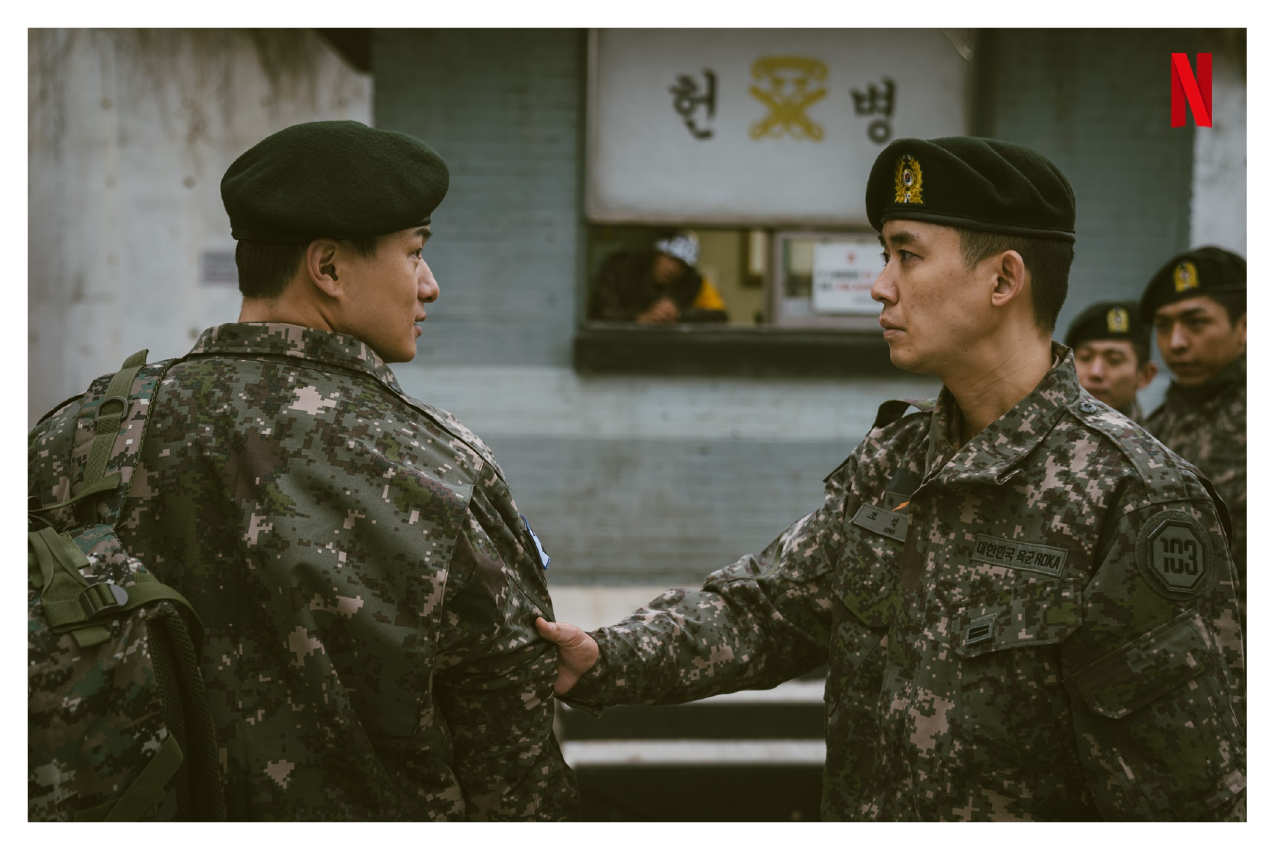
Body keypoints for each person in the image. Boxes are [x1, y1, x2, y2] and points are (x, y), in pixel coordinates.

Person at [538, 137, 1245, 821]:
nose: (879, 286)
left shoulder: (1131, 494)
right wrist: (603, 658)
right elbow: (769, 609)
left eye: (907, 255)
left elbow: (1185, 802)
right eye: (885, 256)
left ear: (1003, 280)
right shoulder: (895, 460)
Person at [28, 121, 578, 821]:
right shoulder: (438, 468)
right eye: (415, 253)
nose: (430, 285)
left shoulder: (77, 437)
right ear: (328, 268)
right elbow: (514, 769)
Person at [1140, 246, 1246, 631]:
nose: (1176, 342)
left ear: (1245, 327)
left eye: (1196, 323)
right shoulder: (1152, 431)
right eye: (1163, 326)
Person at [588, 229, 729, 324]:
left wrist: (679, 314)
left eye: (681, 264)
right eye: (669, 257)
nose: (673, 268)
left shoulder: (691, 281)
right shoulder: (622, 268)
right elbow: (598, 312)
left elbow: (720, 316)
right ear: (656, 254)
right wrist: (638, 318)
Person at [1063, 300, 1157, 421]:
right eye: (1085, 357)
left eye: (1114, 360)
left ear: (1145, 375)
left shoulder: (1162, 431)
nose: (1095, 372)